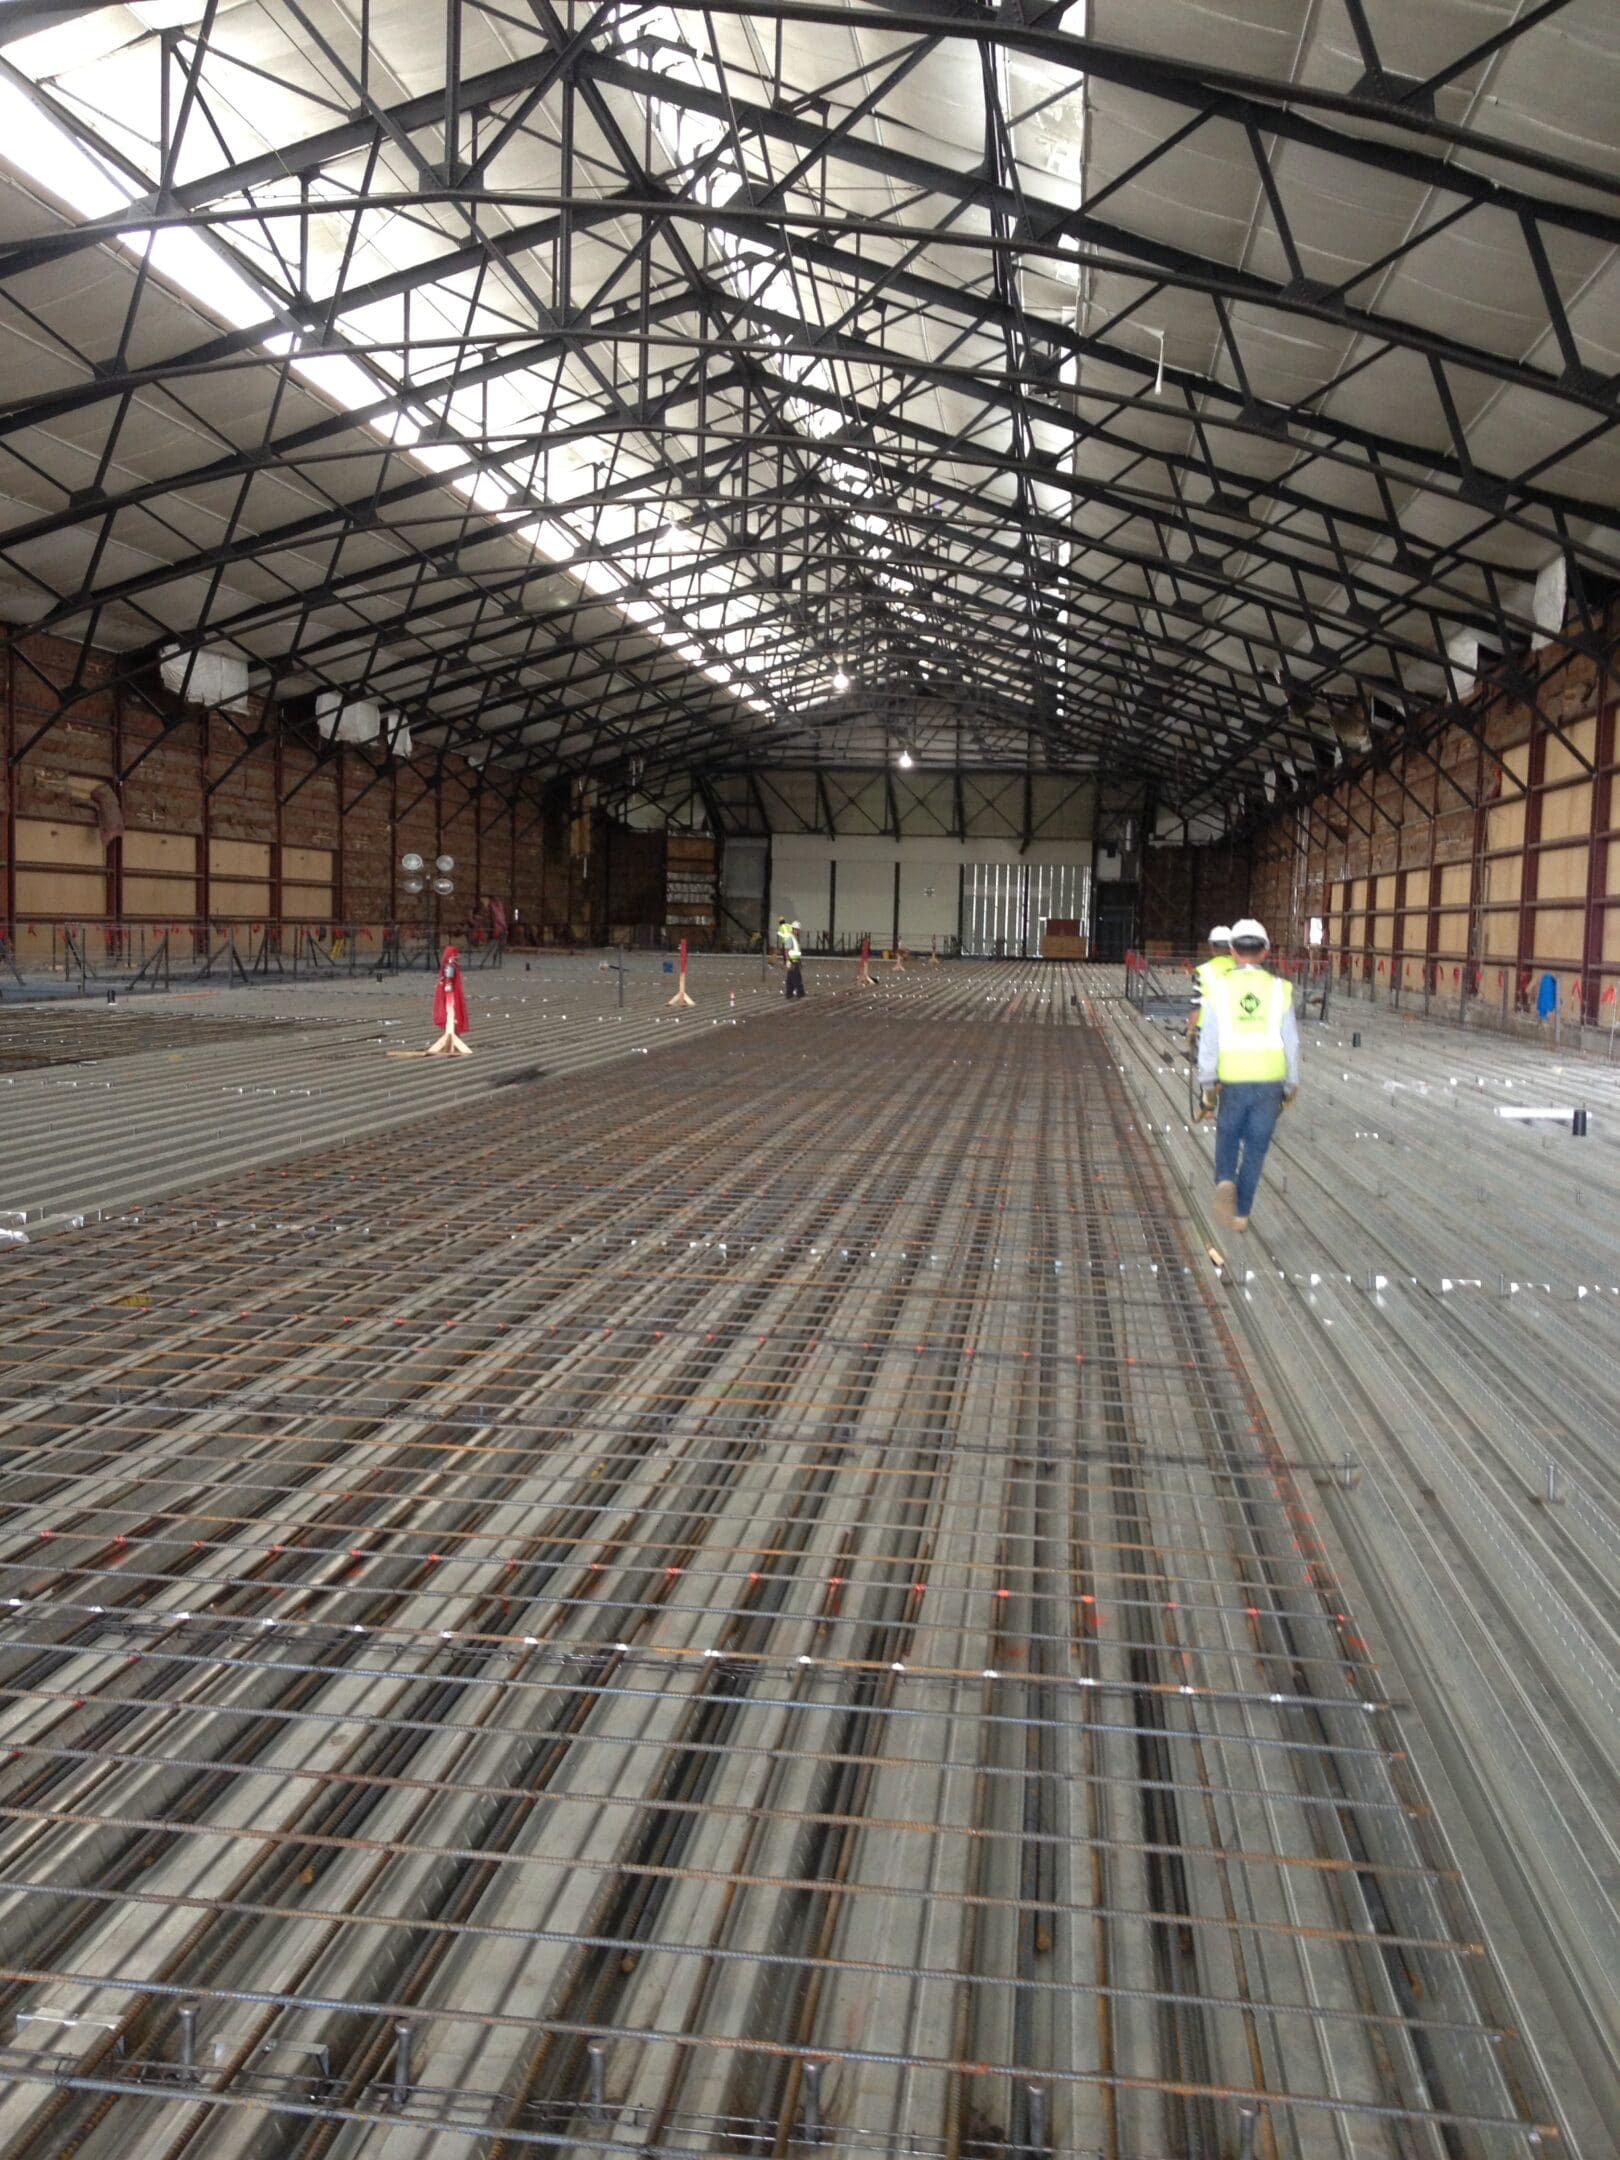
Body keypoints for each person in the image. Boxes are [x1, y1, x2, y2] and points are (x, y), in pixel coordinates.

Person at [1197, 917, 1297, 1231]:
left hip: (1233, 1076)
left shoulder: (1219, 987)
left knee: (1227, 1132)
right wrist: (1292, 1080)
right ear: (1265, 952)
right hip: (1270, 1079)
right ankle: (1241, 1212)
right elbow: (1291, 1039)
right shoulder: (1280, 989)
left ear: (1232, 951)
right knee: (1256, 1146)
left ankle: (1225, 1178)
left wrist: (1207, 1078)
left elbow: (1210, 1037)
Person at [1188, 924, 1233, 1046]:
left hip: (1207, 1030)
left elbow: (1196, 1006)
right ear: (1232, 947)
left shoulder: (1203, 971)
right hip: (1234, 1030)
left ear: (1212, 947)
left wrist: (1190, 1031)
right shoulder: (1242, 970)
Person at [783, 920, 806, 1000]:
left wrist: (799, 962)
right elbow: (786, 950)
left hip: (795, 961)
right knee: (797, 978)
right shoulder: (790, 938)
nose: (799, 931)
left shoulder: (794, 938)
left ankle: (789, 994)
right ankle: (800, 994)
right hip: (792, 961)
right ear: (794, 929)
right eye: (798, 929)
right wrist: (788, 961)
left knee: (790, 979)